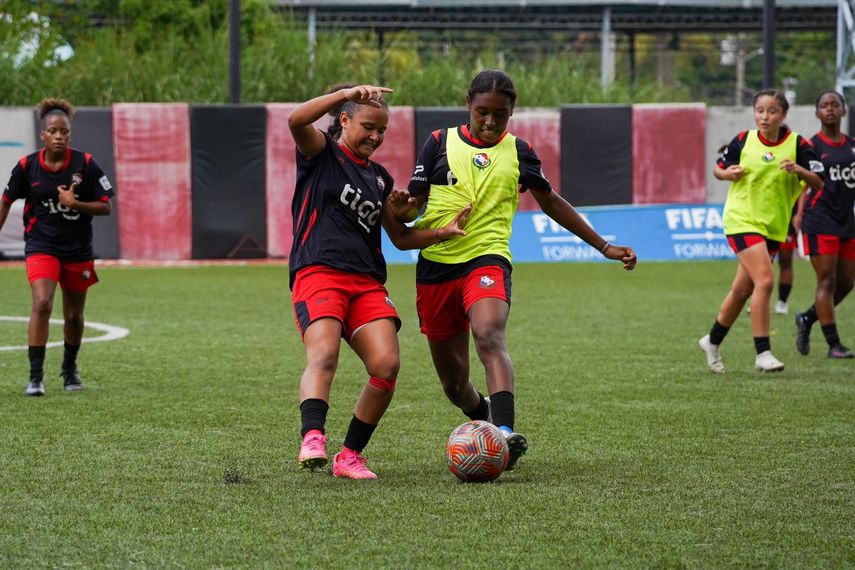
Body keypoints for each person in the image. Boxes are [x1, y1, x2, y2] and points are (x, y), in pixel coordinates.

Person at [401, 69, 636, 471]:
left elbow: (553, 202)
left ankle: (505, 434)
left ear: (512, 113)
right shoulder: (438, 143)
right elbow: (415, 204)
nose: (490, 122)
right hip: (437, 266)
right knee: (454, 386)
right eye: (482, 113)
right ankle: (484, 413)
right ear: (467, 106)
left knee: (489, 332)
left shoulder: (520, 151)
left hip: (487, 258)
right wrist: (399, 208)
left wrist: (603, 245)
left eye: (500, 115)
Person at [288, 84, 469, 480]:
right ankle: (313, 437)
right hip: (319, 271)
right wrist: (344, 93)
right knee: (324, 354)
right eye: (368, 126)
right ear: (345, 119)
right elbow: (295, 119)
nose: (375, 136)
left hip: (366, 282)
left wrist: (440, 230)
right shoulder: (321, 153)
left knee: (386, 365)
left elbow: (401, 237)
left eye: (382, 131)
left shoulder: (381, 179)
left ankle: (349, 456)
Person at [698, 89, 824, 374]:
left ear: (784, 114)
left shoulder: (799, 145)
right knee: (765, 281)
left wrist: (799, 171)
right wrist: (726, 174)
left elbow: (818, 183)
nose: (764, 117)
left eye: (771, 111)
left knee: (743, 289)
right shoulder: (743, 140)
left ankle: (712, 340)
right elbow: (719, 169)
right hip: (741, 220)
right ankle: (763, 352)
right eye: (760, 111)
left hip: (773, 228)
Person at [0, 98, 114, 396]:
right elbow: (5, 202)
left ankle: (69, 369)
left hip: (77, 249)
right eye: (53, 131)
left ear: (70, 134)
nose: (59, 136)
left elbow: (106, 208)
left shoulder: (85, 164)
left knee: (74, 316)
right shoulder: (27, 167)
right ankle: (35, 377)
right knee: (42, 304)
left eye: (64, 131)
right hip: (42, 245)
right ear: (43, 135)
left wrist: (75, 203)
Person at [793, 90, 855, 359]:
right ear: (817, 113)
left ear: (843, 111)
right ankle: (834, 344)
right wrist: (797, 214)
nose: (830, 109)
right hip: (820, 221)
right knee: (827, 280)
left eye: (835, 105)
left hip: (847, 222)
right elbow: (803, 186)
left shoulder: (852, 146)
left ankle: (807, 318)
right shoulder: (811, 147)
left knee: (846, 283)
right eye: (824, 106)